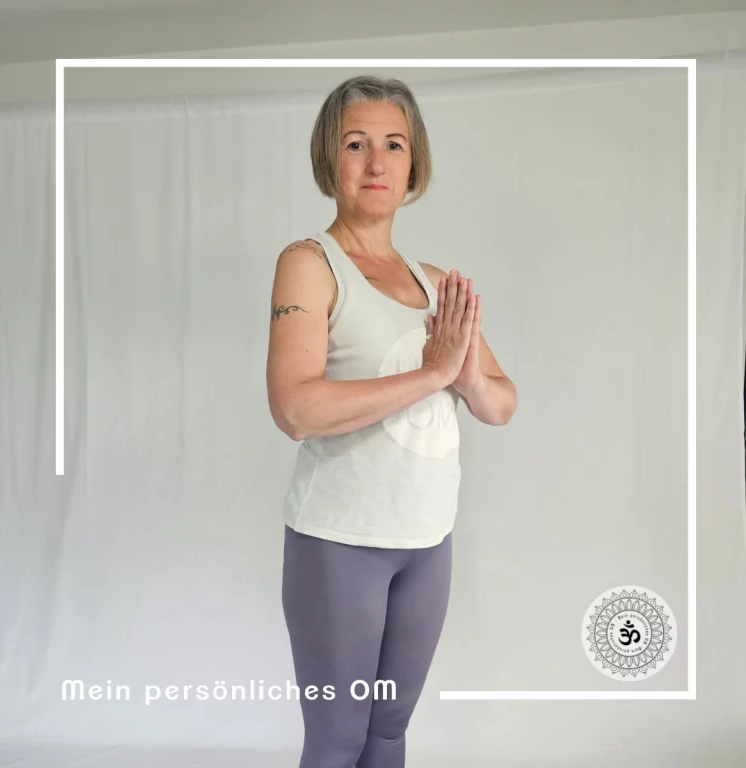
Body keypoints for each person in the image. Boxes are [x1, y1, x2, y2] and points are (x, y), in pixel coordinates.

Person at [266, 75, 517, 768]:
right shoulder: (310, 265)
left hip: (425, 542)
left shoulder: (434, 282)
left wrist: (463, 374)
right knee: (339, 738)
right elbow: (295, 408)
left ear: (414, 164)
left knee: (388, 734)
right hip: (338, 543)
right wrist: (433, 375)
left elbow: (500, 401)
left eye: (393, 145)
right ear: (329, 160)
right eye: (356, 143)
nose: (376, 162)